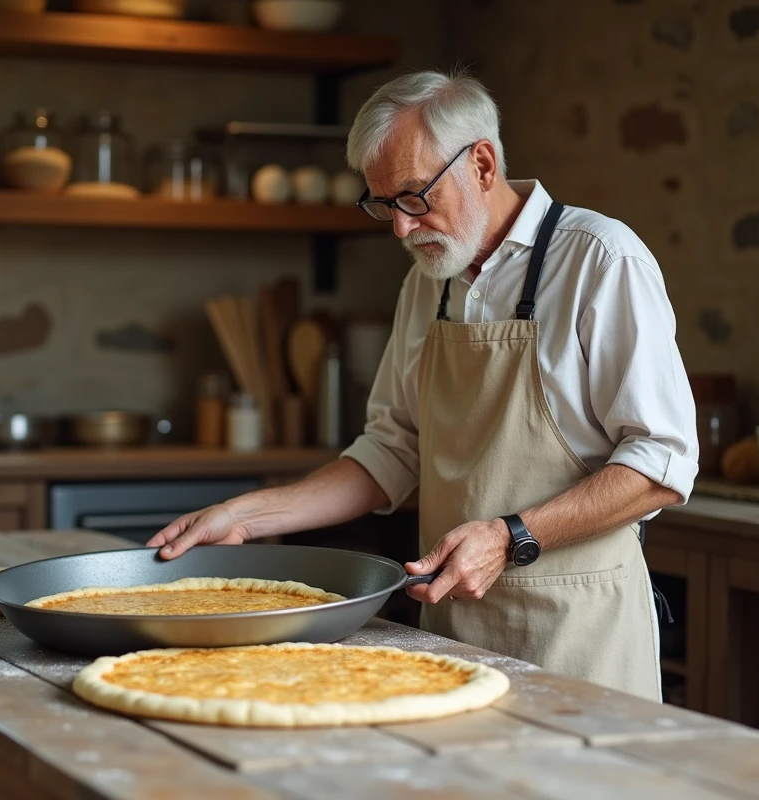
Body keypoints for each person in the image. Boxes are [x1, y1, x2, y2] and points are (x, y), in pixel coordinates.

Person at [147, 69, 699, 701]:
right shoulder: (428, 282)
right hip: (453, 637)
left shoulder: (600, 261)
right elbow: (392, 451)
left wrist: (507, 537)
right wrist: (249, 513)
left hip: (580, 636)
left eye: (414, 196)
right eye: (383, 204)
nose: (401, 230)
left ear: (483, 165)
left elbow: (663, 462)